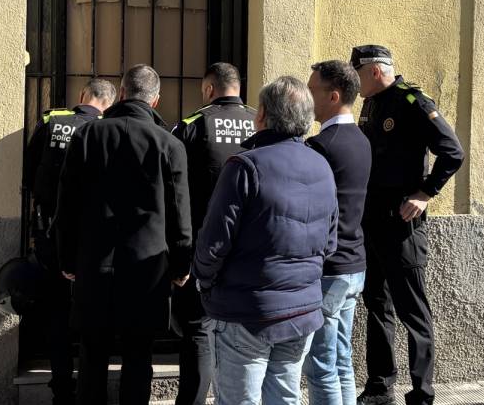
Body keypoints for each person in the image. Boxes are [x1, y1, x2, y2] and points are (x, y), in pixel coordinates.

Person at [192, 76, 338, 405]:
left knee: (239, 400)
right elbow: (330, 244)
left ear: (262, 116)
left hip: (246, 310)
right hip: (301, 309)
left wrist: (205, 281)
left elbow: (213, 244)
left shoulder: (245, 167)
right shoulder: (322, 166)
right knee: (284, 397)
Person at [56, 65, 192, 405]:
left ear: (122, 91)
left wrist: (67, 258)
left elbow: (67, 206)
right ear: (155, 100)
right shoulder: (170, 144)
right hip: (146, 271)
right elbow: (179, 213)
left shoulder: (87, 136)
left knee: (92, 356)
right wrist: (180, 264)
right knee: (138, 356)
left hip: (94, 264)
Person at [351, 45, 463, 405]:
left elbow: (452, 151)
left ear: (375, 71)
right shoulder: (371, 104)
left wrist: (425, 193)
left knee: (412, 310)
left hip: (402, 223)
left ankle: (422, 392)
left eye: (358, 73)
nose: (355, 81)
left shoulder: (412, 102)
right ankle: (380, 385)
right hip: (372, 220)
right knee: (377, 305)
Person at [23, 78, 116, 405]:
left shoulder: (52, 120)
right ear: (109, 103)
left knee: (57, 312)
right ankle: (94, 389)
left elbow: (28, 173)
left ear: (82, 96)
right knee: (95, 313)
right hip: (94, 239)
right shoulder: (108, 131)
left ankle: (61, 387)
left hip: (50, 234)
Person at [171, 62, 257, 405]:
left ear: (209, 89)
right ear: (237, 87)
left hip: (201, 248)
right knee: (244, 335)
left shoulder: (191, 125)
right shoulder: (259, 122)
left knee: (198, 332)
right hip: (251, 249)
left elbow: (173, 188)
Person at [303, 61, 371, 405]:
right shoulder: (361, 140)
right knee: (340, 360)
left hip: (331, 268)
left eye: (312, 89)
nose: (306, 96)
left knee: (320, 366)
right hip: (354, 263)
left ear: (333, 96)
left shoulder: (322, 146)